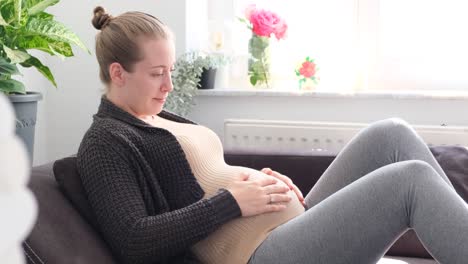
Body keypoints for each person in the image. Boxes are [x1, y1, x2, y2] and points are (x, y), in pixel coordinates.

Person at [77, 6, 468, 264]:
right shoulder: (106, 141)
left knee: (391, 134)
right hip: (260, 254)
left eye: (170, 69)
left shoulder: (161, 118)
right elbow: (134, 240)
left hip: (284, 228)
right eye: (155, 73)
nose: (168, 84)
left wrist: (259, 180)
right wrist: (232, 202)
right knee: (409, 181)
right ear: (117, 73)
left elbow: (204, 177)